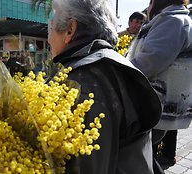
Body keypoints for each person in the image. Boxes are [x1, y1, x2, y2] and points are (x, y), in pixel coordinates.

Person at [48, 0, 162, 173]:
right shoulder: (114, 64)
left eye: (51, 28)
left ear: (70, 29)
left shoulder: (82, 81)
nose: (48, 39)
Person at [127, 0, 192, 173]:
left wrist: (120, 70)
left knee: (137, 157)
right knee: (146, 157)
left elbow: (149, 61)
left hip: (153, 106)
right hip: (154, 104)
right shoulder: (174, 20)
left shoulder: (173, 21)